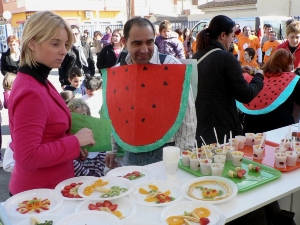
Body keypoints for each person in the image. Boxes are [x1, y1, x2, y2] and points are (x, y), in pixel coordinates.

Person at [8, 11, 95, 195]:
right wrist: (74, 142)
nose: (63, 50)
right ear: (32, 43)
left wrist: (72, 148)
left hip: (50, 190)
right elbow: (28, 156)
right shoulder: (31, 90)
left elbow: (48, 136)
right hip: (40, 196)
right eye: (55, 43)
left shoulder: (38, 81)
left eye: (65, 44)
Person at [105, 17, 196, 168]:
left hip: (167, 150)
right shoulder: (116, 72)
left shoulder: (171, 65)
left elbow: (188, 115)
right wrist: (111, 148)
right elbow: (113, 113)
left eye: (149, 42)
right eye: (137, 43)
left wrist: (183, 154)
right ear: (124, 41)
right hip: (130, 152)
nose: (144, 49)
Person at [192, 15, 264, 146]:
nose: (234, 40)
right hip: (224, 128)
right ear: (223, 35)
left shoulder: (197, 55)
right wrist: (259, 77)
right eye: (232, 35)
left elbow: (212, 75)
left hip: (201, 127)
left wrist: (237, 69)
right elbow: (245, 95)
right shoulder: (226, 57)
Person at [242, 49, 300, 133]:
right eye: (291, 64)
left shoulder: (258, 77)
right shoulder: (293, 80)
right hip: (281, 129)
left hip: (251, 128)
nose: (292, 67)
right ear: (287, 65)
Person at [68, 99, 105, 177]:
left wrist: (92, 178)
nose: (79, 121)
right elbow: (68, 163)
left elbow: (100, 168)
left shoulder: (98, 138)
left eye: (83, 116)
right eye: (75, 118)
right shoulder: (66, 140)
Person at [59, 24, 95, 89]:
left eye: (76, 33)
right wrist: (63, 82)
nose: (75, 36)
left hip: (85, 79)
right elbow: (61, 66)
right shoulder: (66, 47)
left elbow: (91, 61)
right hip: (71, 80)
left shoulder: (85, 45)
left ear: (79, 34)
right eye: (72, 34)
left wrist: (91, 74)